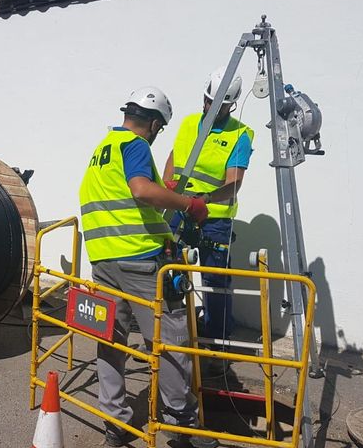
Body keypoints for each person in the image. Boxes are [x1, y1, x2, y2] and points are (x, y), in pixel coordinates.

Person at [79, 87, 216, 448]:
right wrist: (189, 204)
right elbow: (140, 190)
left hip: (104, 261)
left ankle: (114, 423)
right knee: (170, 342)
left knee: (111, 342)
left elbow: (126, 196)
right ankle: (183, 427)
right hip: (141, 262)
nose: (158, 136)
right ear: (153, 123)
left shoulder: (103, 149)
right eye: (160, 129)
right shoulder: (136, 145)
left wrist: (163, 191)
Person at [163, 68, 254, 343]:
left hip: (214, 219)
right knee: (170, 270)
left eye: (218, 104)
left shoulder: (240, 135)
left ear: (231, 104)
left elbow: (234, 183)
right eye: (207, 100)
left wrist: (205, 200)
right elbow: (173, 161)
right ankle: (175, 333)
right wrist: (167, 190)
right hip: (179, 211)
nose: (210, 106)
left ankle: (218, 340)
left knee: (214, 281)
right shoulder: (190, 123)